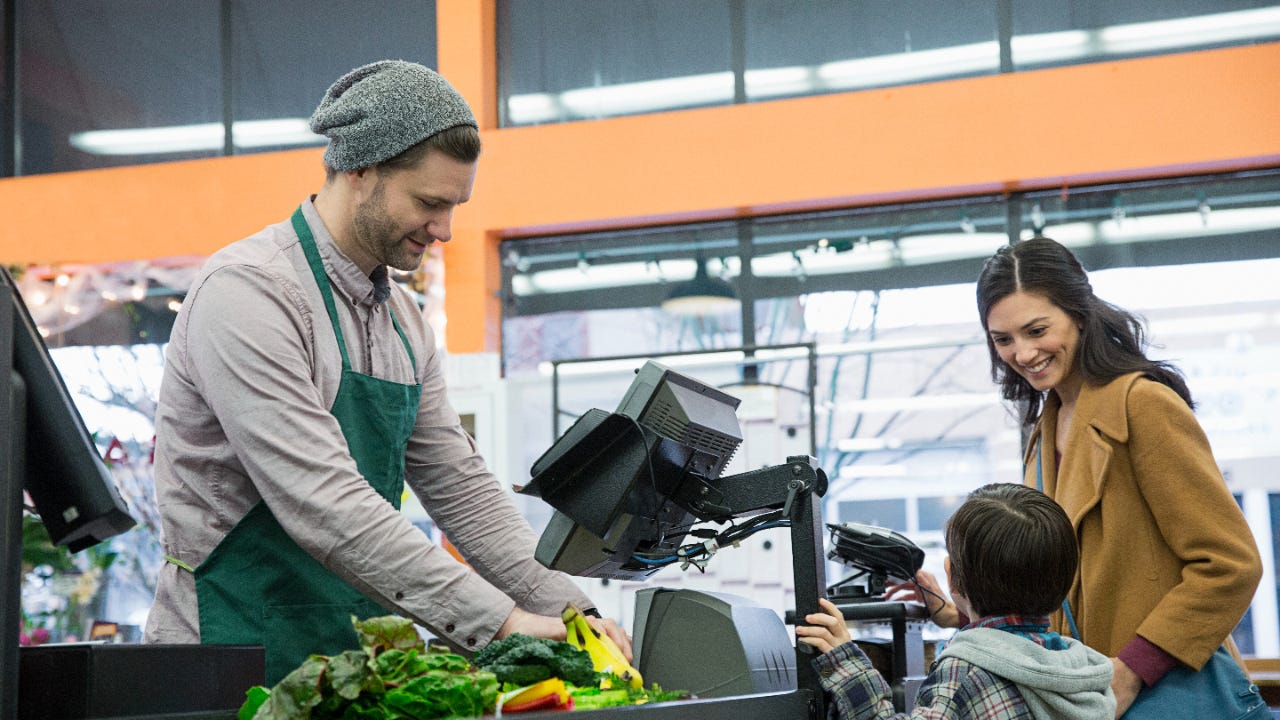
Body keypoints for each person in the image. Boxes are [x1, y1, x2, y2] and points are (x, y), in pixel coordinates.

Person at [144, 60, 628, 683]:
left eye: (456, 205)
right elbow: (325, 503)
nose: (446, 230)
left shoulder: (403, 317)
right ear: (361, 169)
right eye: (429, 202)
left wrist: (572, 612)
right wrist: (502, 623)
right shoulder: (250, 295)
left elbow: (463, 490)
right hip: (230, 654)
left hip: (351, 665)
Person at [889, 236, 1263, 718]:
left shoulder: (1142, 406)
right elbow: (1051, 583)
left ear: (1080, 313)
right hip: (1090, 696)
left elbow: (1230, 565)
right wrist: (956, 610)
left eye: (1036, 329)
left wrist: (1130, 670)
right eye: (1003, 340)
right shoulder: (1043, 430)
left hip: (1160, 689)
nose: (1022, 353)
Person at [798, 483, 1115, 720]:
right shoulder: (1079, 670)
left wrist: (846, 663)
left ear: (950, 577)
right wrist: (954, 616)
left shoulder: (968, 671)